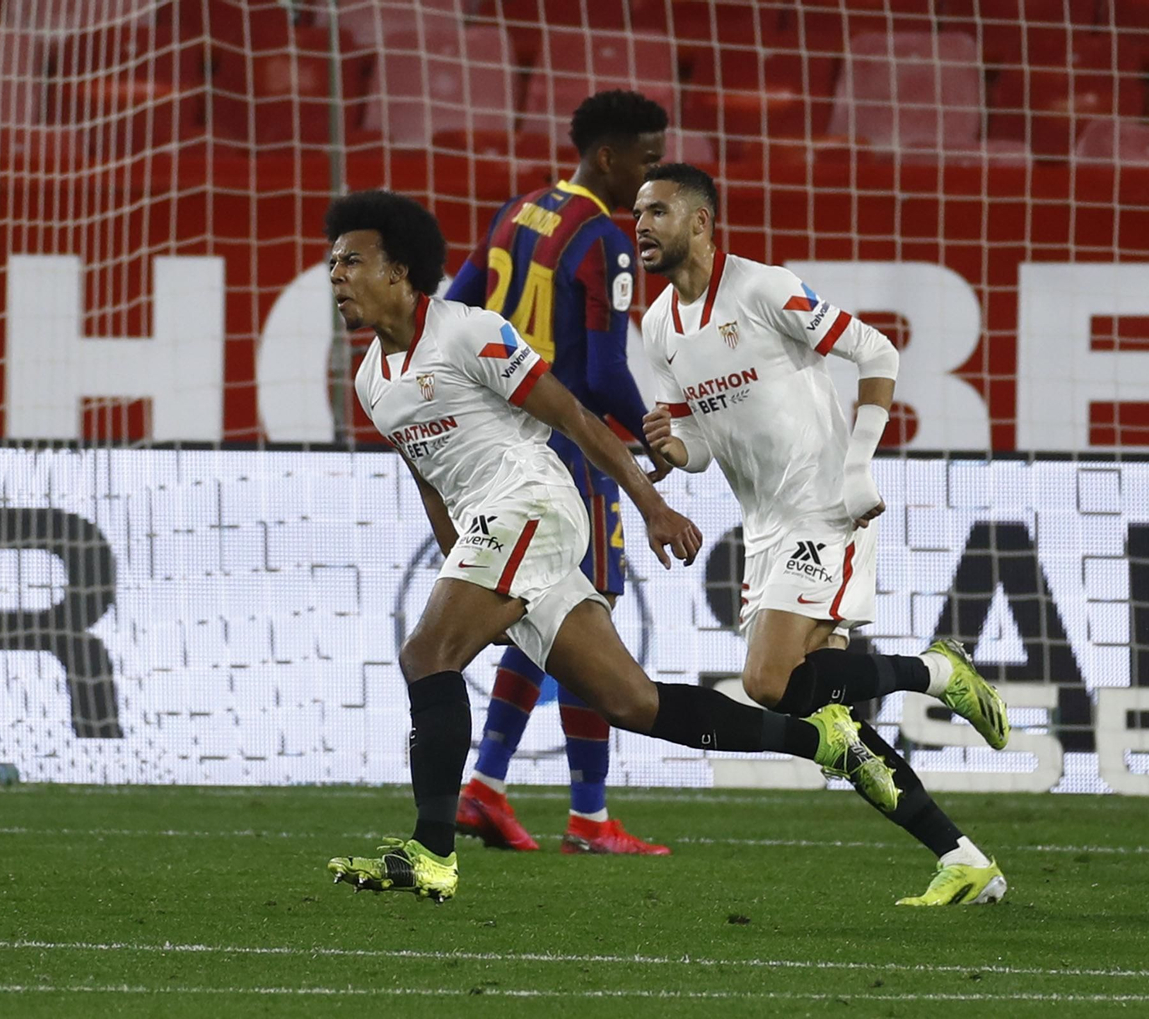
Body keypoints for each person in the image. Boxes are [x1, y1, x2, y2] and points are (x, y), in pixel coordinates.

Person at [322, 189, 895, 903]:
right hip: (492, 530)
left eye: (352, 260)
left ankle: (431, 850)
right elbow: (429, 477)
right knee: (632, 702)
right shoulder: (373, 379)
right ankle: (824, 744)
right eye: (332, 262)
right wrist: (461, 568)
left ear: (401, 272)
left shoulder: (469, 333)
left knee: (424, 656)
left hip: (532, 503)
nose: (337, 274)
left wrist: (651, 504)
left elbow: (575, 415)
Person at [636, 163, 1010, 907]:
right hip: (765, 525)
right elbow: (701, 443)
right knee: (821, 717)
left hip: (823, 506)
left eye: (659, 212)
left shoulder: (765, 289)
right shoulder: (658, 327)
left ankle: (939, 673)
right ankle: (964, 857)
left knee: (765, 681)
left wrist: (857, 466)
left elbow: (879, 352)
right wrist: (673, 448)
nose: (642, 226)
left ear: (703, 224)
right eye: (638, 214)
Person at [443, 90, 671, 856]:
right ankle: (588, 815)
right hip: (567, 454)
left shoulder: (517, 212)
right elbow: (604, 373)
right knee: (586, 615)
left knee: (535, 612)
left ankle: (486, 788)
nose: (650, 177)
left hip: (499, 451)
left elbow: (452, 309)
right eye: (645, 159)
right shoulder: (601, 238)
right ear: (607, 156)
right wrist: (654, 436)